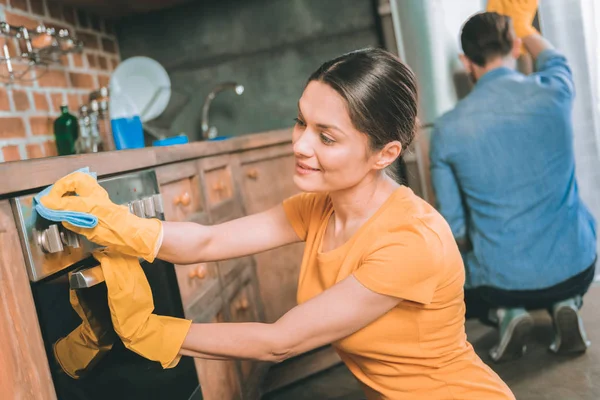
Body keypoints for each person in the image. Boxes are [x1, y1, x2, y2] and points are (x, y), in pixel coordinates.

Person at [43, 48, 514, 399]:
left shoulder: (411, 241)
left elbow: (278, 342)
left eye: (326, 137)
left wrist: (150, 330)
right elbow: (207, 241)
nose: (301, 145)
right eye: (300, 122)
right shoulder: (320, 206)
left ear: (385, 153)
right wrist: (114, 224)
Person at [429, 1, 597, 364]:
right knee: (572, 235)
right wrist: (524, 26)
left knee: (472, 265)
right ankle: (565, 301)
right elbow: (556, 59)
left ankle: (508, 313)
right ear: (516, 48)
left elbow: (455, 226)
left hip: (501, 281)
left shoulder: (446, 130)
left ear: (465, 61)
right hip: (576, 267)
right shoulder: (554, 90)